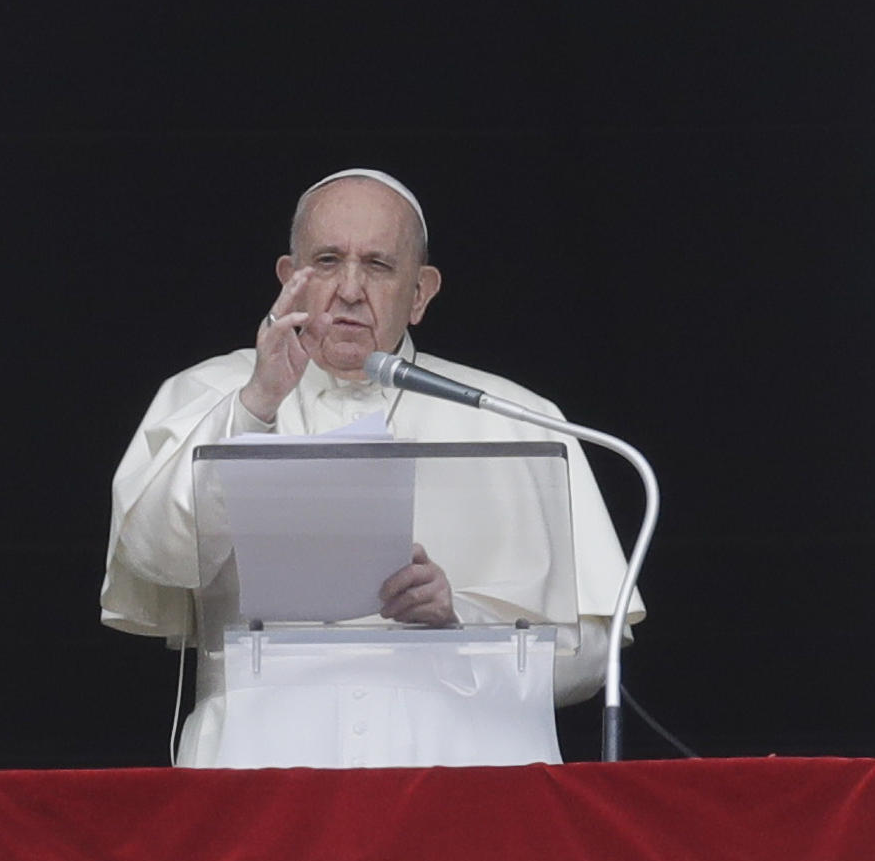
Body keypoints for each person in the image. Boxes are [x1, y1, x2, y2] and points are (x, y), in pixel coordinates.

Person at [101, 168, 644, 765]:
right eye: (327, 261)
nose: (350, 289)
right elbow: (152, 556)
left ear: (420, 293)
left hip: (461, 775)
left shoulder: (520, 420)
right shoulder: (207, 396)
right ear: (289, 278)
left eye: (379, 266)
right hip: (258, 771)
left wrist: (460, 624)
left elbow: (595, 655)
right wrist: (255, 405)